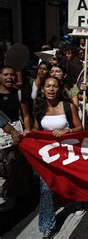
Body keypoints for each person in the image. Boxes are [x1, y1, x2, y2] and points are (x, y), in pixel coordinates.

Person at [30, 76, 83, 238]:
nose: (51, 89)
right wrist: (29, 133)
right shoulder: (38, 107)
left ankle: (77, 202)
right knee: (46, 188)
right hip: (47, 156)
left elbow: (80, 128)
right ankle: (47, 225)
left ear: (59, 89)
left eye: (54, 86)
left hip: (67, 154)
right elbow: (36, 129)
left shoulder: (69, 106)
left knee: (68, 182)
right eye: (48, 86)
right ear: (43, 89)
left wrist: (67, 131)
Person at [0, 65, 32, 212]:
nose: (9, 77)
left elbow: (26, 115)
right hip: (1, 135)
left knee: (14, 161)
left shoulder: (19, 94)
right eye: (6, 74)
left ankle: (11, 195)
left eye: (12, 75)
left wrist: (27, 130)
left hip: (16, 134)